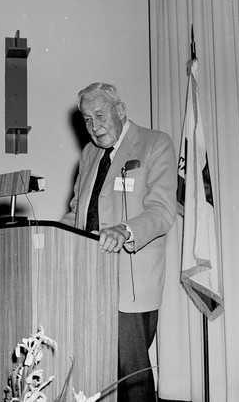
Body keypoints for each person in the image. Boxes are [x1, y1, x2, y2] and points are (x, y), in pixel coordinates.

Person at [60, 82, 177, 402]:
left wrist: (124, 230)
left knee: (131, 374)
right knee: (93, 370)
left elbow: (163, 211)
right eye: (87, 119)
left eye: (99, 114)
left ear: (120, 111)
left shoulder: (154, 143)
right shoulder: (88, 154)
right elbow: (78, 212)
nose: (94, 126)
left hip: (131, 277)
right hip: (90, 276)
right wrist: (52, 234)